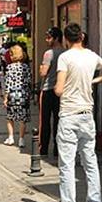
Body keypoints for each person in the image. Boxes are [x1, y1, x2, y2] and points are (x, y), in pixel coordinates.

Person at [48, 23, 102, 202]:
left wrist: (64, 85)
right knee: (90, 162)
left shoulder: (65, 57)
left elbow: (59, 89)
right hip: (87, 115)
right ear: (82, 37)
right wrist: (92, 81)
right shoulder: (92, 56)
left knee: (67, 165)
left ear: (66, 39)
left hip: (69, 115)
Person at [39, 27, 65, 157]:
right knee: (58, 121)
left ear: (56, 38)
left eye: (49, 37)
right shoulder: (66, 53)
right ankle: (57, 149)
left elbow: (43, 72)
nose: (46, 40)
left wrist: (41, 68)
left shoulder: (49, 53)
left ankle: (43, 149)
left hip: (48, 89)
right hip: (61, 91)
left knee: (45, 121)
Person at [3, 45, 32, 148]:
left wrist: (5, 97)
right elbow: (28, 82)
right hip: (23, 94)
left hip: (12, 94)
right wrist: (28, 94)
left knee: (10, 117)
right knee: (22, 119)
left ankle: (11, 137)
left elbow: (8, 83)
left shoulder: (9, 67)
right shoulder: (26, 67)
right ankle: (21, 139)